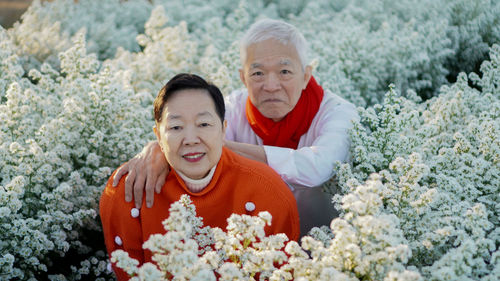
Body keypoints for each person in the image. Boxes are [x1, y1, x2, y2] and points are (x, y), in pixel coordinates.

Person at [113, 19, 359, 236]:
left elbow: (317, 167)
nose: (271, 85)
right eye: (258, 73)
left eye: (285, 71)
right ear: (243, 77)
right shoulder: (232, 106)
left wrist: (213, 145)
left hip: (328, 253)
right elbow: (190, 139)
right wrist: (157, 148)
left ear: (306, 76)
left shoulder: (338, 113)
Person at [100, 73, 300, 280]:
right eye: (176, 127)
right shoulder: (129, 190)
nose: (190, 139)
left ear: (223, 130)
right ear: (158, 136)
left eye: (203, 124)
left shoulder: (267, 190)